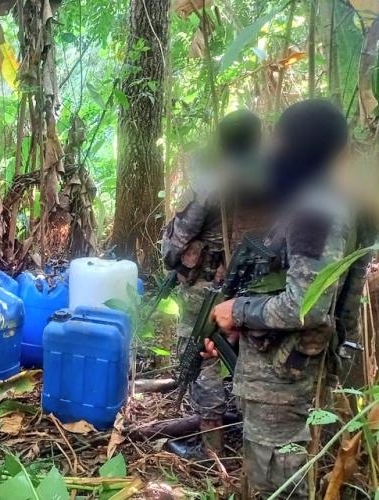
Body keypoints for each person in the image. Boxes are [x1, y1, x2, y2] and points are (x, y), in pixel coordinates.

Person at [206, 100, 362, 499]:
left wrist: (237, 311)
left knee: (279, 483)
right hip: (281, 372)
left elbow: (305, 306)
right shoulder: (315, 201)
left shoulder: (316, 210)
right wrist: (240, 325)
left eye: (277, 139)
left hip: (285, 380)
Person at [162, 109, 266, 457]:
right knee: (254, 358)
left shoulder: (212, 183)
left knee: (202, 357)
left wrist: (174, 259)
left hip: (210, 289)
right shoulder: (274, 182)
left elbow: (174, 245)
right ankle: (256, 442)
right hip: (260, 292)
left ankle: (211, 449)